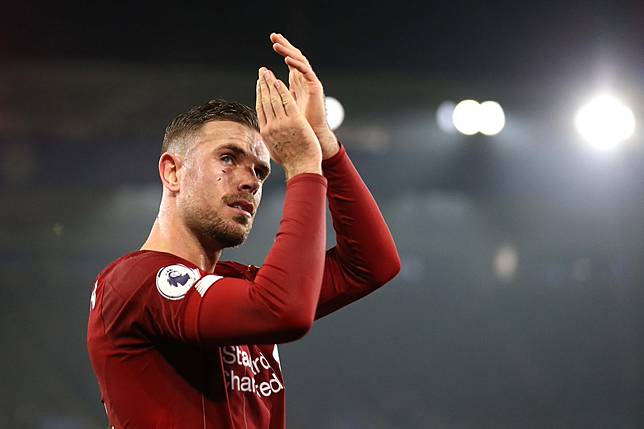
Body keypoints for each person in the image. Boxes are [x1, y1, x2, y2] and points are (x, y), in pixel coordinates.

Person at [87, 32, 400, 429]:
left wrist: (325, 147)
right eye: (228, 158)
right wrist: (302, 166)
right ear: (173, 172)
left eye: (260, 171)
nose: (250, 180)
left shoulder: (239, 287)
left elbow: (371, 265)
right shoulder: (134, 283)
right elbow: (281, 311)